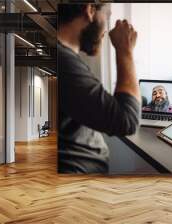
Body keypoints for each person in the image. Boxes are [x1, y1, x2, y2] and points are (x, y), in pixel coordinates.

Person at [57, 3, 140, 173]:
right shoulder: (63, 62)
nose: (106, 31)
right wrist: (125, 50)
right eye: (107, 16)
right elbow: (127, 120)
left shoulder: (66, 58)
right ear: (90, 11)